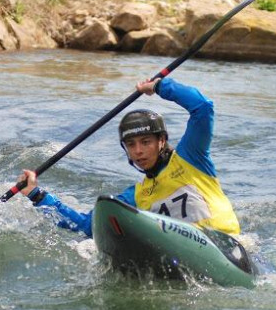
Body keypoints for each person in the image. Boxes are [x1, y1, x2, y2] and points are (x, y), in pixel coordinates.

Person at [16, 77, 240, 238]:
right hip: (184, 251)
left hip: (229, 246)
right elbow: (88, 226)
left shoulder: (191, 158)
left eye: (145, 142)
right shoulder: (137, 196)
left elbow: (203, 108)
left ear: (161, 141)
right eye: (130, 145)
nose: (138, 151)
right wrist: (36, 195)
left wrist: (160, 86)